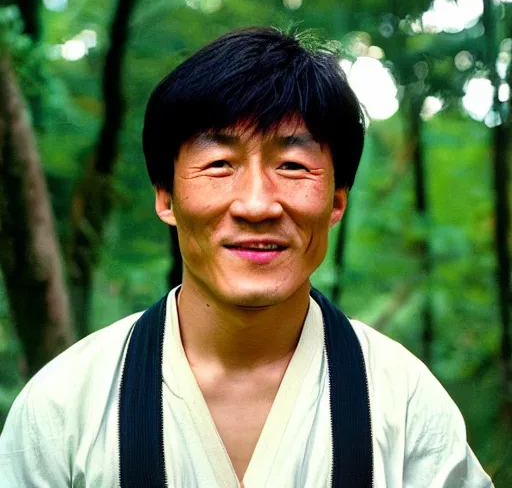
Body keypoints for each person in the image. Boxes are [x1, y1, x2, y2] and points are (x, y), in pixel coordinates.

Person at [0, 27, 493, 488]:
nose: (257, 204)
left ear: (337, 199)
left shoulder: (403, 404)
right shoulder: (64, 407)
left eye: (293, 165)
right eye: (219, 164)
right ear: (166, 198)